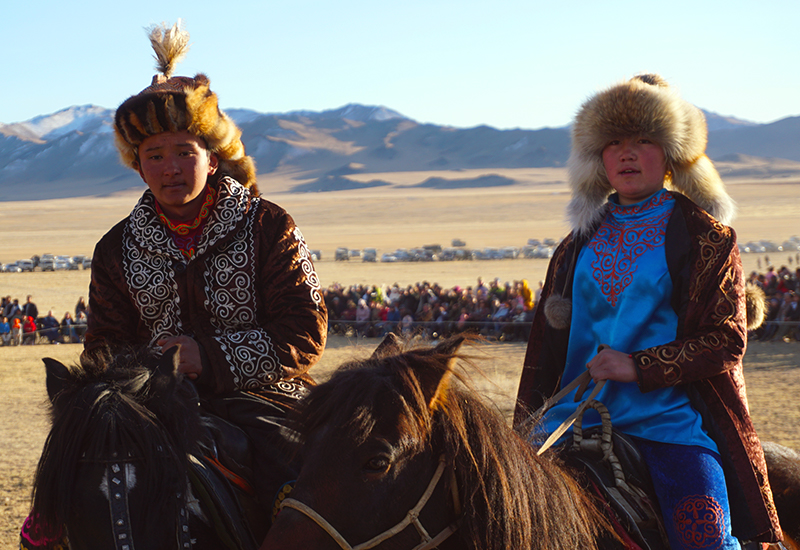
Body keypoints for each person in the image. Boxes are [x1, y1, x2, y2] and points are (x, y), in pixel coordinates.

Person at [513, 75, 781, 547]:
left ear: (672, 153)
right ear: (598, 158)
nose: (627, 153)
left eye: (643, 140)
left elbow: (726, 341)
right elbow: (545, 352)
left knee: (706, 541)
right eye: (613, 142)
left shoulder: (706, 238)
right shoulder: (574, 246)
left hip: (669, 422)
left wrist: (636, 365)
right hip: (571, 418)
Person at [81, 21, 327, 513]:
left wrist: (207, 358)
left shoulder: (267, 226)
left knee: (302, 501)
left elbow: (304, 330)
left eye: (184, 152)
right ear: (138, 164)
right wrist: (152, 373)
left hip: (266, 400)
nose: (170, 167)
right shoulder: (116, 249)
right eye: (155, 155)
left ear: (212, 159)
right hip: (149, 405)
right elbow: (103, 350)